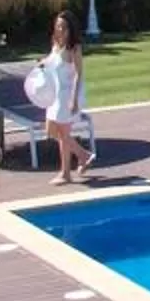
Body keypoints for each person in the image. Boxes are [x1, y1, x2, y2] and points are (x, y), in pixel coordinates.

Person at [34, 12, 93, 186]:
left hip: (67, 95)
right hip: (55, 95)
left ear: (70, 29)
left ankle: (66, 172)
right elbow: (52, 61)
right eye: (58, 26)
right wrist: (42, 62)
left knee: (63, 134)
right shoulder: (56, 44)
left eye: (64, 27)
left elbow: (77, 74)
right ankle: (83, 155)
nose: (60, 29)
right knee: (52, 131)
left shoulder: (74, 48)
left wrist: (74, 99)